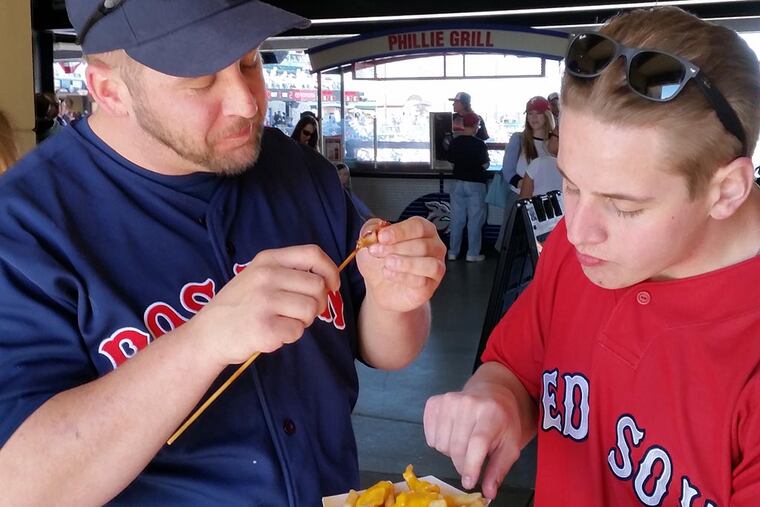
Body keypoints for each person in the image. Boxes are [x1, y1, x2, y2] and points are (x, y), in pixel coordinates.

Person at [0, 1, 446, 505]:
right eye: (200, 80)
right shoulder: (25, 226)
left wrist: (396, 296)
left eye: (250, 62)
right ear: (110, 91)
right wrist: (204, 340)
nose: (247, 102)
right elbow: (20, 485)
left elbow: (385, 349)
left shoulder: (299, 172)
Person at [424, 6, 760, 505]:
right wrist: (496, 399)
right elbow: (516, 369)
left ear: (727, 190)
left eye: (624, 207)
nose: (577, 233)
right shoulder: (577, 250)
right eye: (573, 186)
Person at [446, 112, 490, 262]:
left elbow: (451, 163)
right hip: (476, 184)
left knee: (457, 220)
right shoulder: (479, 144)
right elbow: (485, 164)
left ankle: (452, 252)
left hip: (457, 183)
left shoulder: (455, 142)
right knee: (475, 221)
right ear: (475, 126)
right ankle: (472, 254)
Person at [519, 129, 561, 198]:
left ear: (560, 140)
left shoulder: (538, 164)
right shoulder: (580, 169)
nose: (548, 139)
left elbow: (524, 201)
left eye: (550, 135)